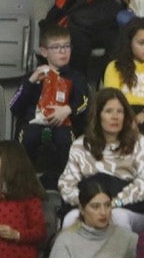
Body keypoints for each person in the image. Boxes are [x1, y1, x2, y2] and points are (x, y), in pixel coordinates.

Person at [57, 86, 144, 235]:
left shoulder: (138, 142)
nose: (115, 117)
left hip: (129, 208)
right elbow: (66, 185)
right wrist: (91, 206)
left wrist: (114, 203)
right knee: (70, 219)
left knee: (117, 217)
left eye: (120, 111)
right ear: (98, 116)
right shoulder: (81, 145)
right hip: (89, 205)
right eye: (109, 111)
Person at [11, 23, 91, 187]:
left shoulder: (76, 77)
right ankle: (23, 185)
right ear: (44, 51)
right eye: (56, 47)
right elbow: (14, 107)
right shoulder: (34, 76)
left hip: (64, 124)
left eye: (67, 46)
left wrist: (68, 109)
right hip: (33, 123)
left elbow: (84, 102)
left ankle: (69, 185)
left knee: (65, 138)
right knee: (27, 135)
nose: (63, 51)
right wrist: (31, 82)